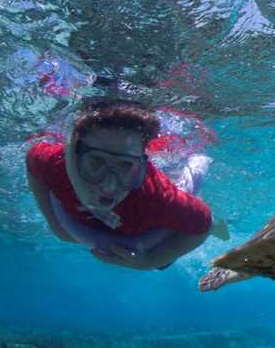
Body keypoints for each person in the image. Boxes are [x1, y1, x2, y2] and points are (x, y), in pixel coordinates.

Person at [26, 99, 223, 270]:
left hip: (153, 229)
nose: (110, 184)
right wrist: (54, 223)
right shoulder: (55, 164)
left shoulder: (155, 198)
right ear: (75, 156)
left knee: (164, 264)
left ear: (141, 166)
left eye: (125, 166)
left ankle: (197, 166)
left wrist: (151, 261)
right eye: (96, 162)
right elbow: (33, 160)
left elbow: (204, 225)